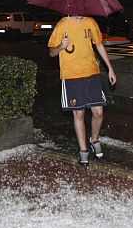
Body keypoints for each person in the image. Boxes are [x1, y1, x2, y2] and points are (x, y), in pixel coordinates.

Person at [48, 15, 117, 166]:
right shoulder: (62, 24)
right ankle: (83, 150)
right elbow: (52, 52)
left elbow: (99, 45)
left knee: (98, 111)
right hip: (71, 75)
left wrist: (110, 68)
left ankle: (95, 139)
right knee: (78, 113)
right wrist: (61, 46)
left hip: (92, 73)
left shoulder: (90, 22)